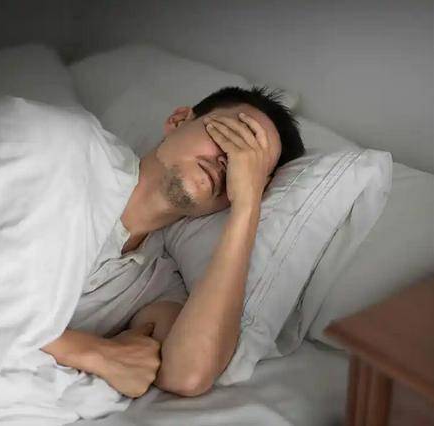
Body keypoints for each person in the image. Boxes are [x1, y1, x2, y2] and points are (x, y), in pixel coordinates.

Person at [41, 86, 305, 398]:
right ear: (179, 121)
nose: (229, 160)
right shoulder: (66, 157)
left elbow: (188, 375)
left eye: (248, 165)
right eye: (230, 136)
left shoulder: (157, 283)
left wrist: (247, 207)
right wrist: (92, 352)